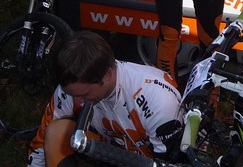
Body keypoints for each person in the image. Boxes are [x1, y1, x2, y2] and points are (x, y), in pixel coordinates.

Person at [28, 30, 183, 167]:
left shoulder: (159, 101)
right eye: (74, 95)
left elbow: (170, 164)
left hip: (152, 161)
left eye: (85, 95)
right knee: (56, 132)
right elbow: (40, 144)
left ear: (107, 74)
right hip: (116, 152)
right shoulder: (74, 89)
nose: (78, 102)